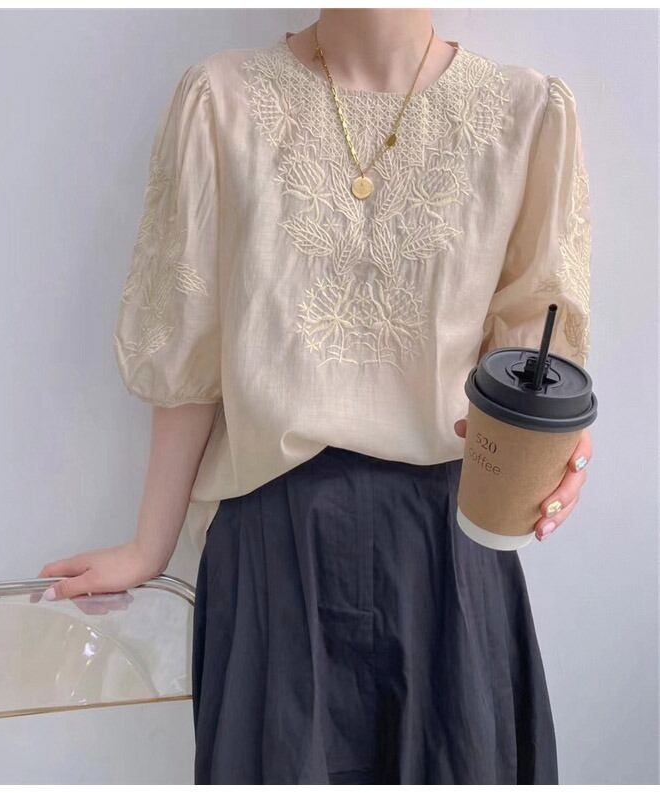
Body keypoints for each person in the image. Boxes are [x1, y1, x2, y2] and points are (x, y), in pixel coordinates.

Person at [38, 8, 594, 784]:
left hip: (449, 546)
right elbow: (191, 348)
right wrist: (148, 545)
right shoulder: (222, 100)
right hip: (273, 543)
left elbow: (536, 351)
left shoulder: (525, 114)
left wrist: (553, 447)